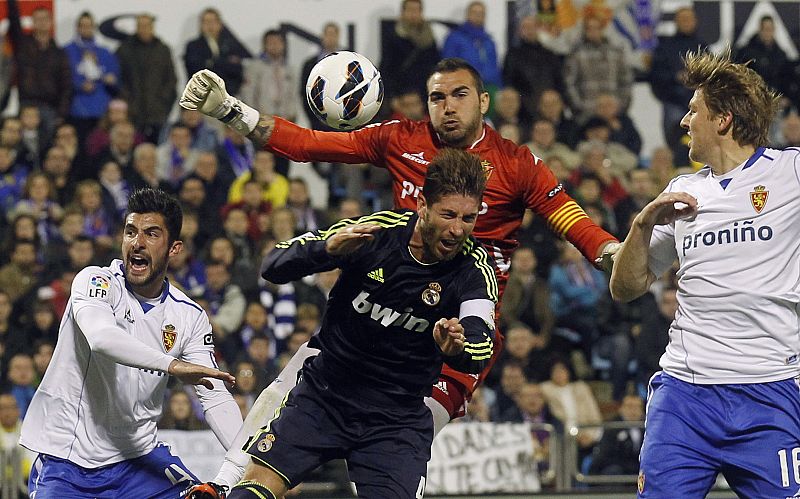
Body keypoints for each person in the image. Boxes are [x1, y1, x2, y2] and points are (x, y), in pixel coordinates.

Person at [180, 57, 619, 492]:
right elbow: (310, 144)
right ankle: (222, 484)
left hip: (459, 326)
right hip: (383, 309)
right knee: (293, 383)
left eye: (460, 95)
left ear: (484, 101)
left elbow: (570, 219)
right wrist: (230, 110)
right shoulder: (401, 139)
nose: (448, 106)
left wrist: (610, 252)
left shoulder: (517, 164)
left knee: (404, 439)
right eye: (437, 97)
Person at [190, 147, 499, 499]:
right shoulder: (375, 233)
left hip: (396, 420)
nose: (458, 229)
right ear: (423, 206)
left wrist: (457, 348)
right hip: (325, 396)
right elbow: (273, 265)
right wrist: (326, 250)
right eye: (448, 215)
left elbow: (481, 345)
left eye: (468, 218)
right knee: (254, 488)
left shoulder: (474, 269)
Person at [610, 50, 800, 498]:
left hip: (769, 391)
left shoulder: (790, 171)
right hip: (685, 396)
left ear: (723, 120)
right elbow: (625, 287)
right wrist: (642, 226)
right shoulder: (682, 191)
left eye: (693, 110)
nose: (684, 121)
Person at [19, 187, 243, 498]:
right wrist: (173, 365)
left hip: (138, 459)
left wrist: (255, 465)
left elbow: (215, 397)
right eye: (130, 231)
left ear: (174, 248)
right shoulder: (95, 282)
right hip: (70, 462)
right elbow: (101, 338)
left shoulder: (189, 316)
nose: (137, 242)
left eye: (151, 234)